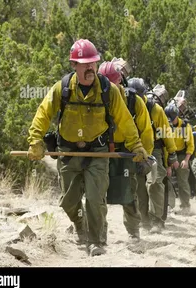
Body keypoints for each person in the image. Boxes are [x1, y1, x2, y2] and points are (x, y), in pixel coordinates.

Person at [27, 39, 148, 256]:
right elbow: (42, 114)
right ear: (74, 65)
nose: (90, 67)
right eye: (85, 63)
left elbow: (125, 121)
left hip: (98, 152)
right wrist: (35, 140)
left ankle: (96, 242)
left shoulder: (108, 91)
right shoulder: (62, 88)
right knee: (69, 201)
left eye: (93, 62)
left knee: (95, 198)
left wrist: (137, 146)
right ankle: (79, 225)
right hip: (68, 151)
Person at [98, 59, 154, 242]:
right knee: (96, 194)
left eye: (111, 84)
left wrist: (145, 156)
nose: (108, 89)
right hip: (101, 149)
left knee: (129, 194)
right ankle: (99, 234)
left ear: (120, 83)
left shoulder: (134, 102)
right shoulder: (94, 99)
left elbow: (146, 131)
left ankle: (133, 233)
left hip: (127, 152)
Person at [128, 78, 179, 233]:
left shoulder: (155, 109)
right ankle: (144, 221)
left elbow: (165, 133)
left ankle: (157, 219)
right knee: (139, 187)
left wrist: (172, 154)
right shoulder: (127, 106)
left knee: (155, 183)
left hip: (154, 149)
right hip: (135, 149)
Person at [164, 104, 194, 213]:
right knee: (166, 179)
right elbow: (164, 145)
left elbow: (190, 145)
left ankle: (185, 206)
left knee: (183, 180)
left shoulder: (185, 127)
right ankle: (168, 205)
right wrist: (168, 164)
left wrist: (186, 160)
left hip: (182, 154)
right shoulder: (164, 126)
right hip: (168, 153)